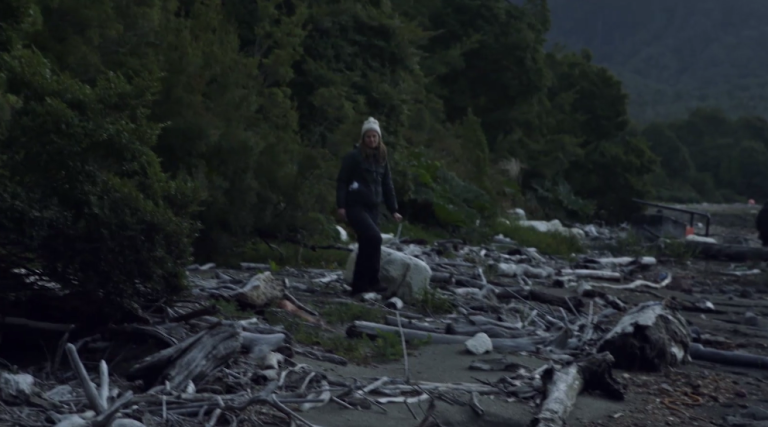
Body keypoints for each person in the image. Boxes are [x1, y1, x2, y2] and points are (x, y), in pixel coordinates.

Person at [336, 117, 403, 297]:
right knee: (374, 238)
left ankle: (359, 285)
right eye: (368, 137)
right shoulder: (353, 157)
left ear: (379, 138)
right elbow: (342, 181)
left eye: (374, 136)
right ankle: (373, 280)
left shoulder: (382, 158)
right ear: (363, 138)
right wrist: (341, 206)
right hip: (355, 205)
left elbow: (387, 184)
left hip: (374, 207)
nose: (372, 140)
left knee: (366, 243)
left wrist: (393, 209)